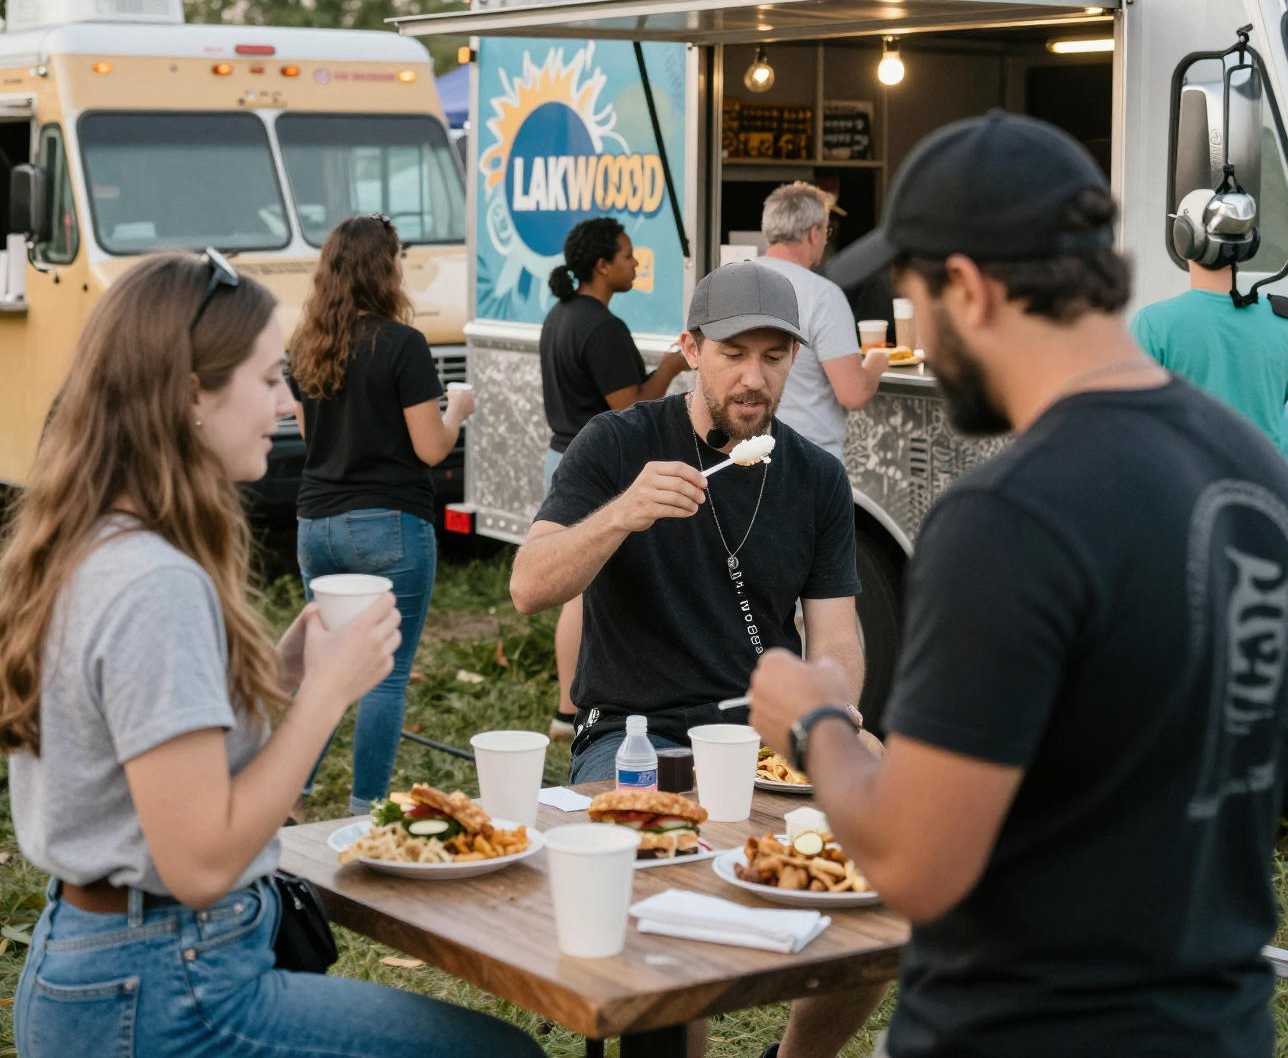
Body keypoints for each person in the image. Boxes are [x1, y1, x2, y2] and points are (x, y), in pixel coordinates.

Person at [747, 110, 1288, 1058]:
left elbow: (915, 862)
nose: (920, 329)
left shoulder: (1011, 515)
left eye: (916, 296)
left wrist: (815, 721)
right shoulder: (1254, 472)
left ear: (967, 287)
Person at [0, 250, 543, 1058]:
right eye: (271, 379)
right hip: (168, 990)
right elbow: (201, 863)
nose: (286, 404)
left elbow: (144, 751)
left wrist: (278, 673)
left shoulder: (98, 542)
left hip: (101, 970)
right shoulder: (154, 582)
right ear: (189, 396)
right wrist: (326, 695)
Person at [513, 259, 882, 1058]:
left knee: (888, 875)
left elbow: (836, 637)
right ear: (690, 348)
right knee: (661, 938)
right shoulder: (618, 443)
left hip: (764, 739)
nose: (754, 378)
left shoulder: (816, 477)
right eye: (734, 354)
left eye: (774, 357)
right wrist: (621, 515)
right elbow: (528, 586)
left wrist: (834, 706)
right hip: (634, 734)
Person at [288, 214, 473, 815]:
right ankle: (365, 809)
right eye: (396, 258)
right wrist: (457, 409)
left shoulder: (307, 345)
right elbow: (431, 448)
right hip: (389, 524)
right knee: (387, 675)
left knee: (323, 668)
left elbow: (309, 435)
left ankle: (290, 792)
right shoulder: (402, 344)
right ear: (383, 269)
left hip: (316, 525)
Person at [539, 216, 688, 739]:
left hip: (559, 457)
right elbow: (630, 409)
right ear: (602, 266)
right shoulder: (603, 327)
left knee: (578, 590)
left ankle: (565, 709)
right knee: (587, 595)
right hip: (594, 471)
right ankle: (572, 709)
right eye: (626, 255)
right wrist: (670, 367)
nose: (634, 262)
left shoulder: (560, 315)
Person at [758, 183, 890, 460]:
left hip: (740, 455)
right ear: (814, 234)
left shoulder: (725, 282)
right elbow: (853, 394)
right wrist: (877, 362)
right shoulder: (822, 295)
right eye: (827, 232)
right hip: (809, 461)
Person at [1131, 251, 1288, 454]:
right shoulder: (1282, 320)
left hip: (1188, 472)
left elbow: (1133, 425)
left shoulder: (1152, 323)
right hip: (1268, 470)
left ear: (1184, 242)